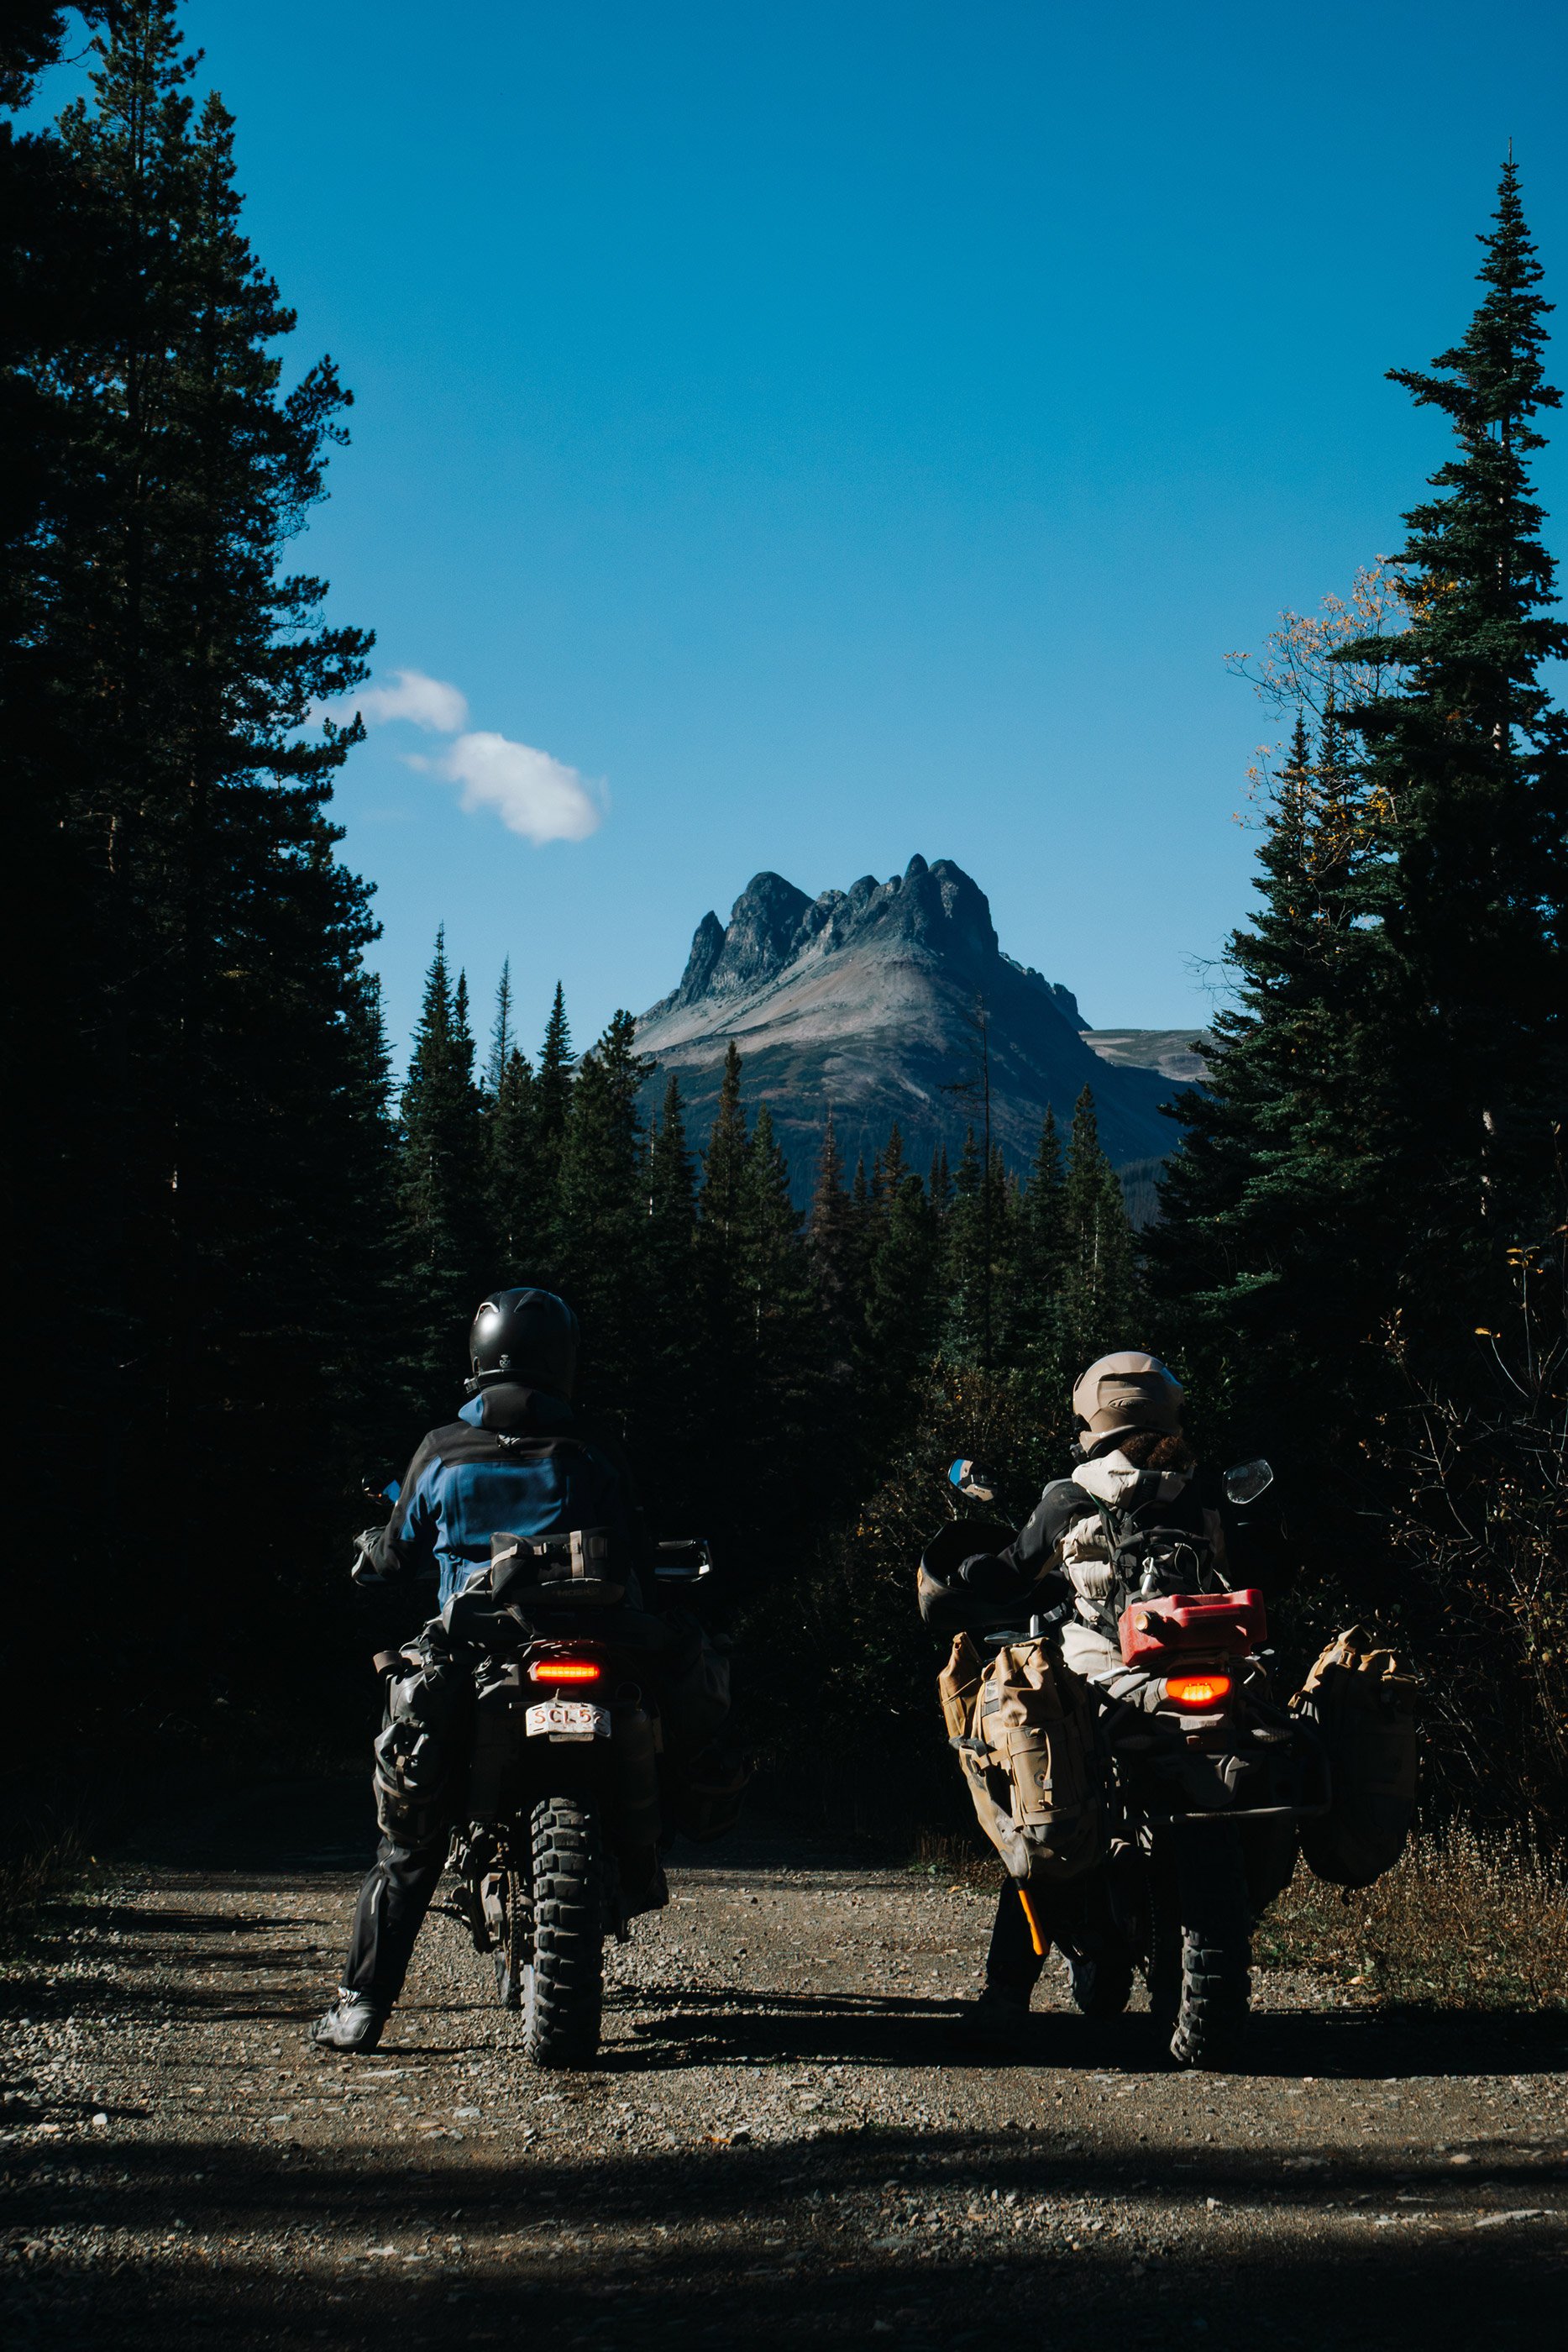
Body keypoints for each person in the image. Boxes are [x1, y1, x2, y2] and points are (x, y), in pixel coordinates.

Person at [312, 1287, 647, 2055]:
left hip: (469, 1659)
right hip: (583, 1650)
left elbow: (392, 1556)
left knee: (409, 1838)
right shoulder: (594, 1446)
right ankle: (634, 1865)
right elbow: (636, 1543)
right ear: (561, 1359)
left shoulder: (440, 1449)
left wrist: (373, 1552)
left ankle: (362, 2007)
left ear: (479, 1353)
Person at [921, 1351, 1287, 2040]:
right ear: (1168, 1409)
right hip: (1208, 1670)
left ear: (1091, 1415)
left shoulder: (1069, 1495)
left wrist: (971, 1568)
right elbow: (1261, 1566)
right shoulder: (1205, 1488)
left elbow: (1008, 1571)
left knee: (1036, 1807)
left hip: (1105, 1675)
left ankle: (1005, 1994)